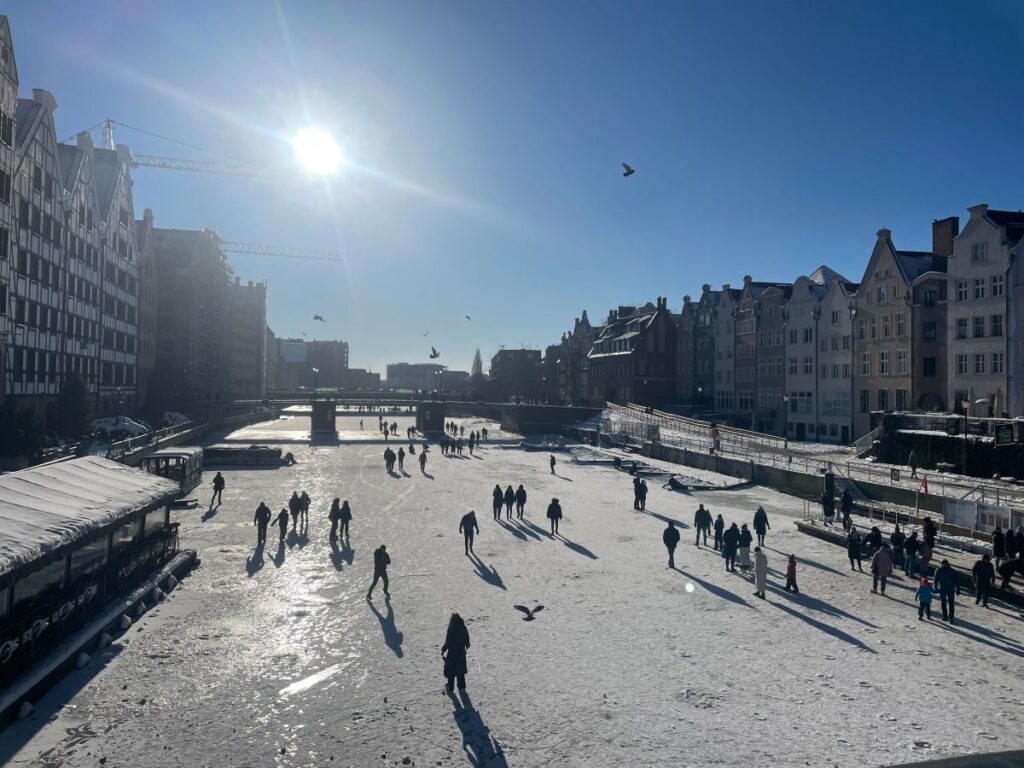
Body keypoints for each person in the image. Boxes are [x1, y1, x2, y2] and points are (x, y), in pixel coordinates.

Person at [441, 613, 471, 693]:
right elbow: (467, 639)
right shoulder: (463, 627)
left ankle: (450, 688)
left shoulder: (451, 628)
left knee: (451, 672)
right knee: (460, 671)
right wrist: (467, 645)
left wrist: (443, 649)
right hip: (461, 653)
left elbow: (448, 641)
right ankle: (462, 688)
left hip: (452, 653)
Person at [933, 559, 957, 623]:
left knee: (947, 603)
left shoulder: (941, 570)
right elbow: (935, 579)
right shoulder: (950, 570)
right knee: (947, 603)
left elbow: (935, 579)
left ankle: (948, 617)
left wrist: (935, 587)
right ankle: (947, 617)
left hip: (946, 589)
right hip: (945, 589)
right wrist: (935, 587)